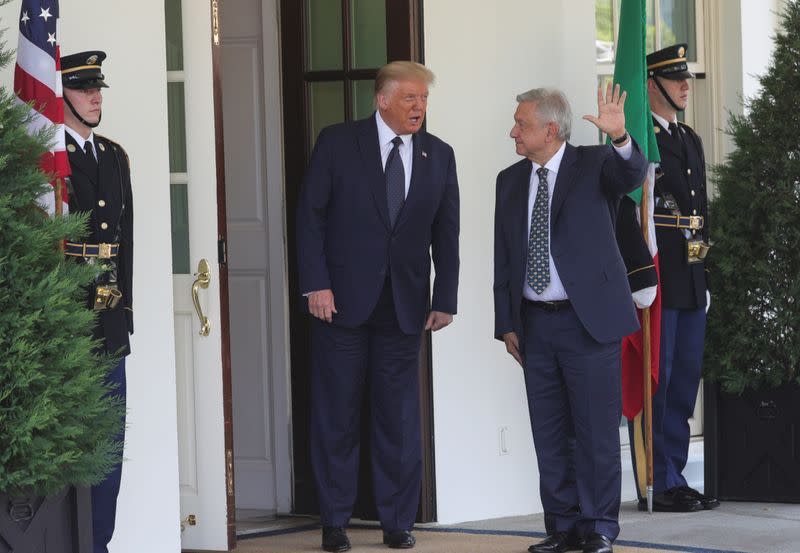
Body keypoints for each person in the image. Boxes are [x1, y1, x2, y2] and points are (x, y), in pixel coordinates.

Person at [296, 61, 459, 552]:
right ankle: (334, 523)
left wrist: (445, 297)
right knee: (337, 417)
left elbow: (446, 233)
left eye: (424, 99)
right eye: (410, 98)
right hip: (340, 304)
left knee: (400, 420)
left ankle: (397, 521)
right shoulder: (338, 142)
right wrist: (315, 285)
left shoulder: (439, 154)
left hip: (406, 308)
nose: (419, 107)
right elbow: (310, 217)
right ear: (381, 99)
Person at [494, 85, 647, 553]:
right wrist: (506, 322)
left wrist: (620, 136)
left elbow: (631, 175)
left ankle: (599, 527)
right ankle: (562, 527)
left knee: (595, 432)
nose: (513, 132)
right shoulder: (509, 180)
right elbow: (504, 256)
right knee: (550, 432)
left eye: (521, 124)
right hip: (536, 325)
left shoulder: (596, 165)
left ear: (550, 129)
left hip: (589, 323)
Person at [629, 44, 718, 513]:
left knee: (684, 382)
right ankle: (656, 479)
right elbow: (633, 214)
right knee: (656, 381)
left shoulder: (689, 138)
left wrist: (705, 278)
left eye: (686, 77)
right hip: (658, 278)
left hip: (690, 276)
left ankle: (676, 475)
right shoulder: (641, 141)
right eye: (675, 78)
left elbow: (700, 213)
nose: (686, 84)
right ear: (651, 85)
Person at [61, 51, 133, 553]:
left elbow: (124, 241)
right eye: (85, 88)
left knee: (108, 442)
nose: (95, 97)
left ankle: (98, 542)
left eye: (99, 89)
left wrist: (123, 313)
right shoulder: (46, 155)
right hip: (61, 315)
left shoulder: (112, 155)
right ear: (60, 92)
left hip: (105, 315)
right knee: (67, 441)